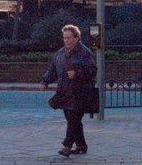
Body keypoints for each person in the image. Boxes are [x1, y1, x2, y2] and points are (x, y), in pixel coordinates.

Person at [40, 24, 98, 157]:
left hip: (80, 92)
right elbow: (53, 70)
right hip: (64, 91)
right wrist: (45, 81)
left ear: (76, 37)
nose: (66, 40)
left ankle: (67, 146)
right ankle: (81, 145)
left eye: (69, 38)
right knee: (72, 119)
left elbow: (93, 70)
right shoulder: (60, 53)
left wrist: (77, 73)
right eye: (64, 38)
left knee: (73, 119)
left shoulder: (84, 53)